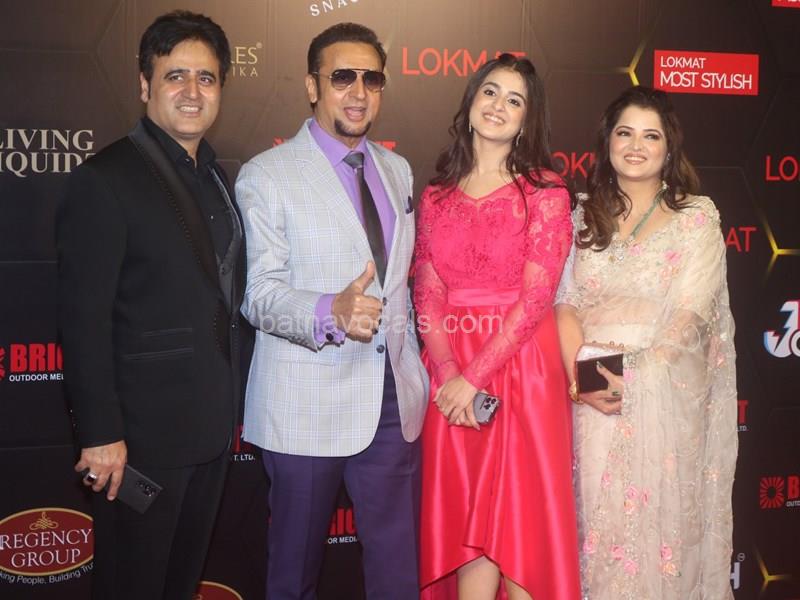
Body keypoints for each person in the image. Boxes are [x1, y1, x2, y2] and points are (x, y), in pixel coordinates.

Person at [56, 11, 246, 600]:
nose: (192, 91)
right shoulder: (105, 178)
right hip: (138, 444)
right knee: (132, 585)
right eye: (175, 76)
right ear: (145, 84)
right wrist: (100, 434)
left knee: (179, 585)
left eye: (206, 78)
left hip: (210, 433)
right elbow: (82, 321)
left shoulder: (216, 177)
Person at [235, 22, 429, 599]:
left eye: (372, 78)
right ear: (312, 86)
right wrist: (329, 311)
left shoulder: (398, 170)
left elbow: (400, 285)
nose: (358, 91)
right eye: (342, 76)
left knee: (399, 574)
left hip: (392, 401)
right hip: (304, 405)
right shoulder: (267, 174)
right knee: (293, 577)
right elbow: (258, 294)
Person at [555, 85, 737, 599]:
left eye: (650, 136)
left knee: (655, 545)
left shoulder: (696, 219)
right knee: (595, 534)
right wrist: (584, 381)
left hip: (662, 403)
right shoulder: (582, 215)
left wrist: (630, 381)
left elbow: (690, 317)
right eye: (625, 133)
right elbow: (564, 304)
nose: (636, 146)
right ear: (607, 142)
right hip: (588, 403)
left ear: (669, 147)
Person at [415, 53, 581, 600]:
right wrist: (447, 374)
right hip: (450, 369)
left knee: (519, 517)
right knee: (467, 514)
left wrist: (474, 378)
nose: (498, 106)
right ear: (470, 102)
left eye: (515, 100)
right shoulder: (436, 195)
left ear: (527, 120)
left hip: (521, 368)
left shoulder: (546, 193)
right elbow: (427, 290)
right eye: (490, 92)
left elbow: (537, 298)